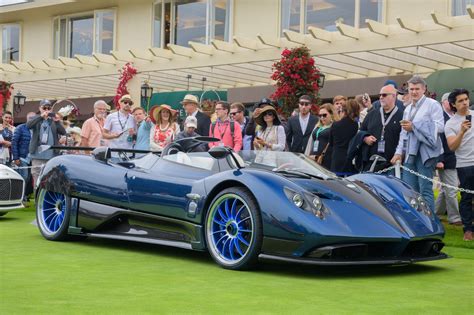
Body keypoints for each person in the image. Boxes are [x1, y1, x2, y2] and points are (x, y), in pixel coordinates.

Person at [391, 76, 444, 213]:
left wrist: (415, 126)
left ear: (424, 89)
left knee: (425, 188)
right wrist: (398, 152)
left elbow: (440, 127)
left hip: (426, 152)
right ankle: (416, 221)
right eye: (411, 89)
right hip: (410, 152)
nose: (414, 92)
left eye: (417, 89)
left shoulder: (433, 104)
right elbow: (403, 133)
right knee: (409, 189)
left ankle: (430, 222)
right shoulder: (407, 109)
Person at [445, 89, 473, 241]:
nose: (464, 103)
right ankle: (468, 229)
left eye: (466, 99)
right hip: (465, 165)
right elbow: (452, 147)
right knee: (467, 197)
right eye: (460, 101)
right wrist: (461, 132)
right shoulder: (450, 124)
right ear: (453, 105)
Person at [359, 85, 403, 172]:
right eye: (380, 95)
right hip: (370, 162)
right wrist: (365, 138)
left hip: (392, 164)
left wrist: (400, 154)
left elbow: (405, 138)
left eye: (384, 95)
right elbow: (361, 132)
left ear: (394, 96)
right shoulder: (372, 114)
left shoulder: (402, 115)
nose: (381, 97)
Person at [435, 92, 462, 226]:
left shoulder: (454, 117)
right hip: (445, 159)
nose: (452, 103)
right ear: (444, 102)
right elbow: (437, 140)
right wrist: (439, 159)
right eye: (450, 101)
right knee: (451, 189)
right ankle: (455, 218)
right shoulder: (441, 118)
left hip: (455, 158)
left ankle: (436, 213)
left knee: (446, 189)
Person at [27, 99, 67, 184]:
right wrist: (41, 117)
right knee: (37, 179)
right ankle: (37, 196)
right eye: (44, 108)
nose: (46, 110)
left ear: (51, 109)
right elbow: (28, 125)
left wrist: (57, 122)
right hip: (37, 155)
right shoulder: (35, 118)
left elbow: (63, 132)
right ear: (40, 108)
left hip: (51, 156)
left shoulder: (53, 120)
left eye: (48, 108)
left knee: (51, 180)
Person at [329, 99, 359, 174]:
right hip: (350, 157)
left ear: (343, 111)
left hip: (337, 157)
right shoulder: (355, 125)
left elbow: (331, 142)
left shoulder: (335, 124)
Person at [11, 112, 35, 201]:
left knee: (28, 178)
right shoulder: (20, 128)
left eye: (33, 118)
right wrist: (16, 157)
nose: (32, 119)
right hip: (22, 157)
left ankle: (22, 197)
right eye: (30, 118)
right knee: (23, 177)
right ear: (27, 118)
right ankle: (19, 197)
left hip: (32, 158)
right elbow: (14, 143)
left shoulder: (36, 129)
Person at [305, 103, 335, 169]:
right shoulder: (318, 126)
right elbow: (310, 143)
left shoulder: (334, 126)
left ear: (331, 114)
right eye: (320, 115)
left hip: (325, 159)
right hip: (312, 158)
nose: (322, 117)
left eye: (324, 115)